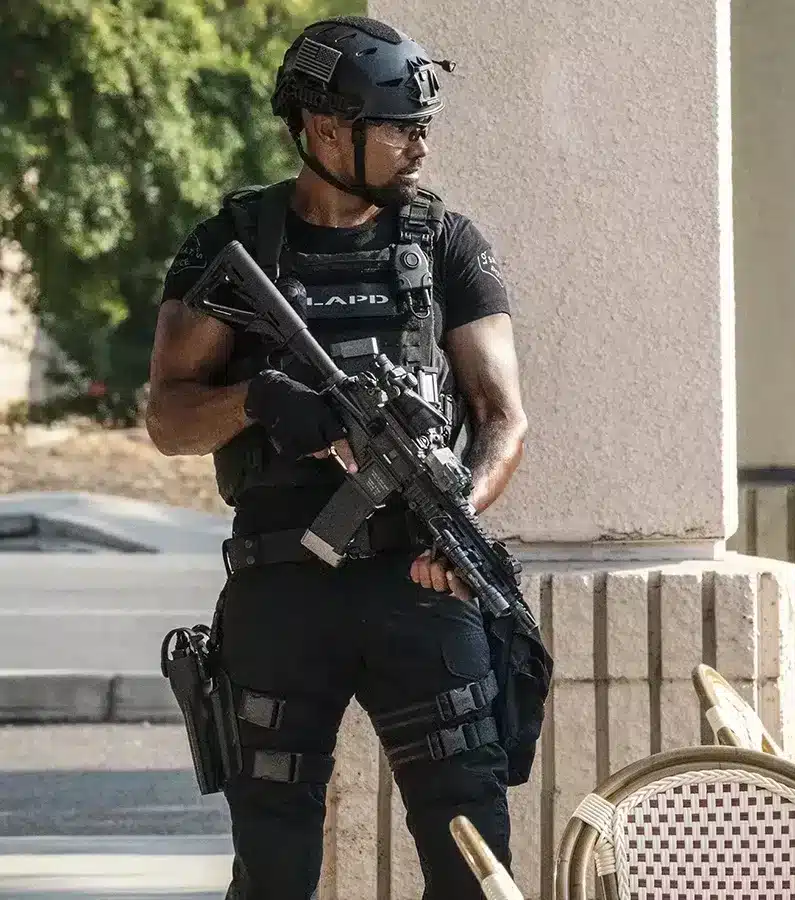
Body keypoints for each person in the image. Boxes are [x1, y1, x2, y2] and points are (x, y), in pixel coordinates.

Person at [145, 15, 547, 898]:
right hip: (281, 588)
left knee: (473, 861)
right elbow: (168, 419)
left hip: (420, 583)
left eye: (423, 127)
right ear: (326, 129)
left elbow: (502, 418)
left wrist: (460, 515)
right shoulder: (233, 246)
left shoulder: (445, 245)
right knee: (274, 870)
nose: (421, 147)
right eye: (400, 127)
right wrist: (257, 399)